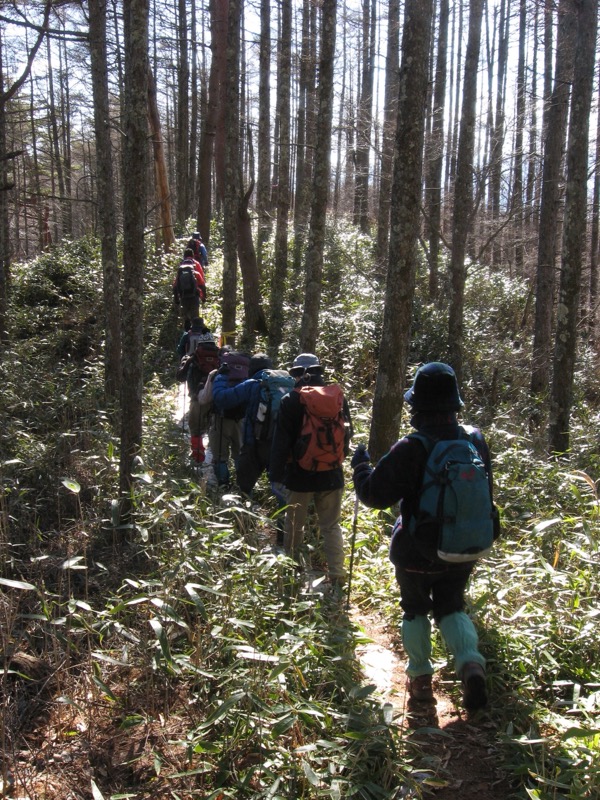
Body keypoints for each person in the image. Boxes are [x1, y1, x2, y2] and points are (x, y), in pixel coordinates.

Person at [351, 362, 496, 712]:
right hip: (463, 545)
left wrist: (360, 467)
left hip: (416, 550)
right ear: (455, 403)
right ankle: (470, 663)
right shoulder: (474, 439)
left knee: (415, 608)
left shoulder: (411, 446)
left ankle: (419, 680)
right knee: (452, 605)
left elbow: (373, 495)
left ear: (416, 406)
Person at [269, 353, 353, 588]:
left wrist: (275, 475)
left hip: (299, 475)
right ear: (319, 372)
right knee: (331, 526)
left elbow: (280, 442)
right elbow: (347, 435)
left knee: (294, 525)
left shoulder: (291, 400)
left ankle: (293, 573)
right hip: (332, 473)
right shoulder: (338, 398)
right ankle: (337, 576)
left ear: (296, 374)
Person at [213, 353, 294, 543]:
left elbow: (222, 399)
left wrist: (221, 377)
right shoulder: (288, 385)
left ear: (252, 370)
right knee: (282, 493)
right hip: (281, 448)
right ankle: (283, 537)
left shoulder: (252, 384)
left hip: (254, 445)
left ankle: (245, 528)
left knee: (245, 486)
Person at [176, 318, 219, 464]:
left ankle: (198, 458)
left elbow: (180, 377)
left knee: (195, 428)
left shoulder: (193, 357)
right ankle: (216, 461)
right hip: (216, 398)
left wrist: (184, 361)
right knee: (214, 428)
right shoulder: (220, 358)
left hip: (197, 398)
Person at [173, 248, 206, 327]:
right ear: (193, 255)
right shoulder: (196, 265)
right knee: (195, 317)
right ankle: (196, 332)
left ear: (184, 256)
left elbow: (175, 285)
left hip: (183, 296)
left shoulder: (181, 267)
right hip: (195, 295)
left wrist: (176, 299)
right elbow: (202, 284)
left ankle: (187, 332)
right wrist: (203, 297)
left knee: (186, 319)